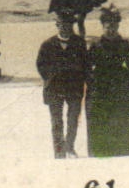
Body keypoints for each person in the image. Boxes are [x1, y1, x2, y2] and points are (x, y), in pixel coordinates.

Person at [86, 6, 129, 157]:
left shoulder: (124, 44)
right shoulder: (96, 45)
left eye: (114, 27)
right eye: (108, 27)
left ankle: (123, 146)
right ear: (103, 27)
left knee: (121, 115)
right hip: (102, 85)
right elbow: (88, 66)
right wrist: (92, 83)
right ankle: (103, 147)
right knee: (103, 116)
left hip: (119, 83)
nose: (111, 30)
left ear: (118, 26)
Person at [38, 12, 90, 158]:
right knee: (56, 122)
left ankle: (69, 146)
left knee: (73, 119)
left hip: (74, 88)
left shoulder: (79, 43)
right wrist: (51, 78)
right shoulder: (47, 45)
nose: (65, 29)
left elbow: (86, 64)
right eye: (62, 25)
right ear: (57, 26)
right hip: (55, 89)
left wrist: (83, 80)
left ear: (72, 26)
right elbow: (41, 65)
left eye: (68, 25)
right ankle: (59, 151)